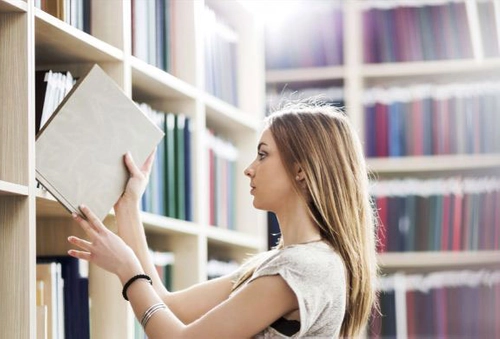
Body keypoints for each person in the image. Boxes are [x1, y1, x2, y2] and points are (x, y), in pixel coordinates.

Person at [68, 100, 379, 338]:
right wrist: (128, 205)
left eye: (263, 154)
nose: (249, 168)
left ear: (301, 170)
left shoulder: (304, 269)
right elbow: (170, 305)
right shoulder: (281, 265)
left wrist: (128, 270)